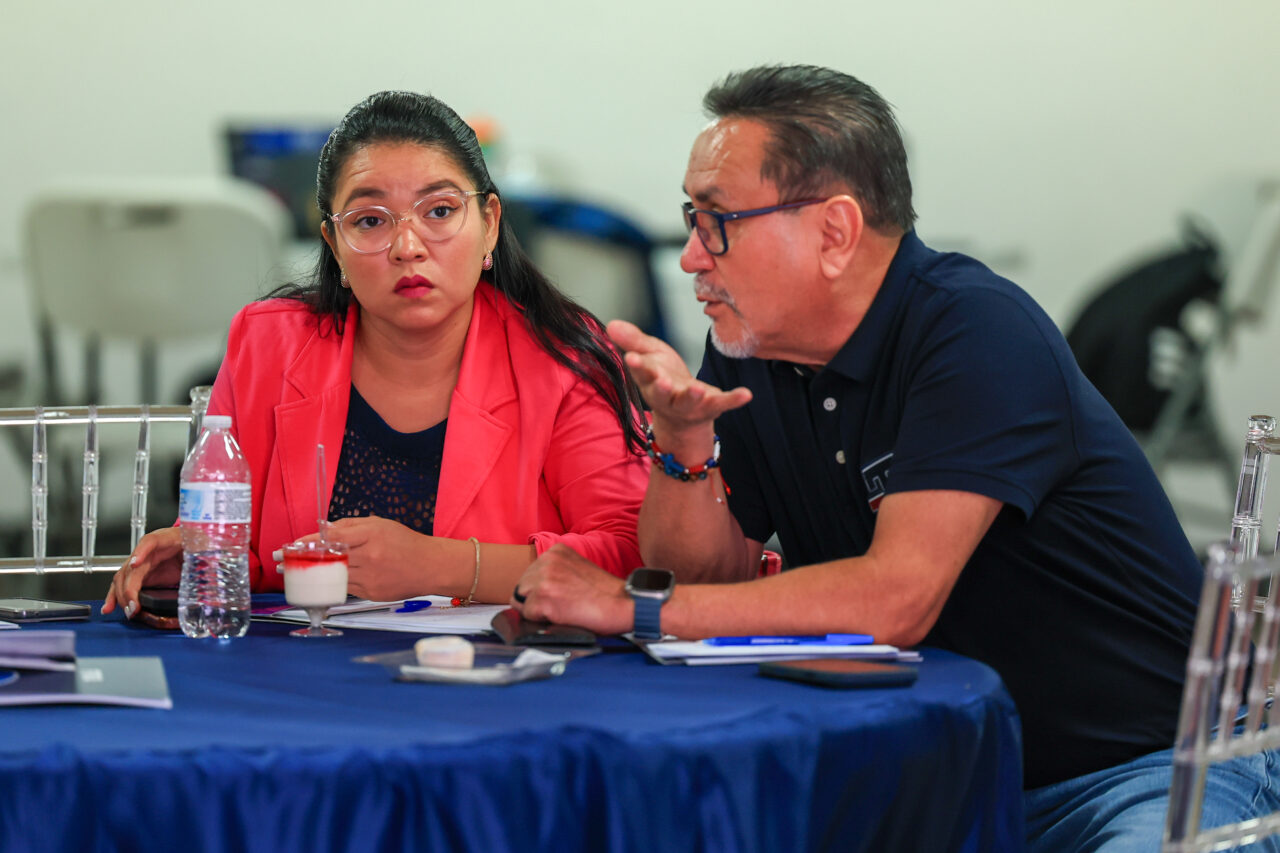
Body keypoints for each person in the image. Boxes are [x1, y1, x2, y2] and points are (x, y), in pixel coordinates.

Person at [509, 65, 1279, 850]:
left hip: (1147, 767)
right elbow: (708, 578)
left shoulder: (975, 331)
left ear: (834, 232)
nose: (690, 258)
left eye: (718, 222)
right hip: (940, 767)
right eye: (691, 218)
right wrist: (683, 445)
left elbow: (894, 600)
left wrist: (630, 606)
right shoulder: (753, 350)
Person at [104, 90, 648, 616]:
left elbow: (630, 554)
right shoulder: (268, 344)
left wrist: (441, 565)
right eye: (369, 221)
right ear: (333, 245)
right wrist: (196, 559)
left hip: (487, 671)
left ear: (489, 225)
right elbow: (244, 550)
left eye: (440, 211)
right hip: (302, 665)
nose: (407, 247)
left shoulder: (561, 359)